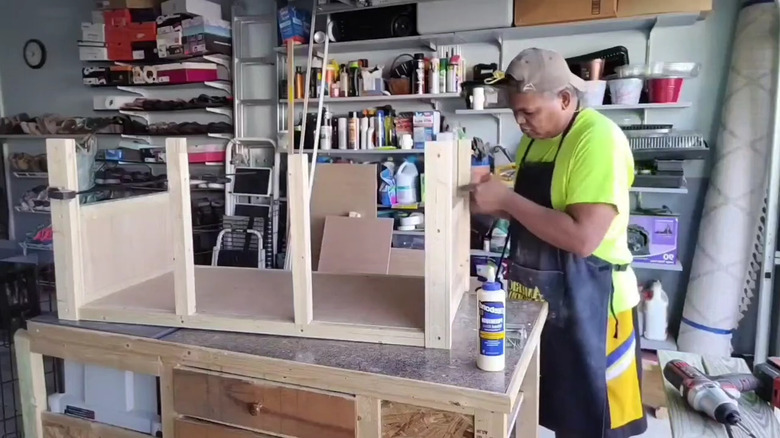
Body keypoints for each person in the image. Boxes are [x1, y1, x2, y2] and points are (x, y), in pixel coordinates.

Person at [471, 48, 648, 438]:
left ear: (565, 99)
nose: (520, 122)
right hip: (543, 304)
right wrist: (487, 202)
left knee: (596, 424)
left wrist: (506, 200)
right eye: (515, 113)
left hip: (597, 308)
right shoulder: (534, 143)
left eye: (528, 112)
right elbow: (532, 213)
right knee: (547, 409)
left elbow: (583, 238)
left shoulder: (598, 139)